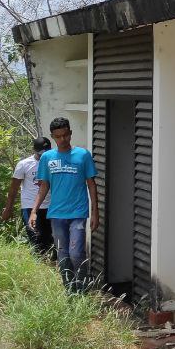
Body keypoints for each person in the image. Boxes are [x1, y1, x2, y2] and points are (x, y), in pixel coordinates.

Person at [30, 117, 100, 291]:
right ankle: (70, 290)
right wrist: (34, 211)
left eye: (65, 135)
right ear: (53, 137)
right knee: (63, 254)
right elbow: (44, 186)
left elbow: (91, 184)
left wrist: (95, 212)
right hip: (57, 214)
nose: (62, 140)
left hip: (78, 213)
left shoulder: (83, 155)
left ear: (70, 133)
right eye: (58, 137)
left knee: (76, 253)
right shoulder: (47, 158)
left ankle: (82, 289)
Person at [2, 137, 54, 259]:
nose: (43, 156)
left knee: (49, 240)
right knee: (36, 238)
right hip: (30, 207)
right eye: (41, 154)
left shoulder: (54, 162)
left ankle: (49, 266)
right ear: (34, 150)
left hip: (50, 206)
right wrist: (8, 208)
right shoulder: (24, 164)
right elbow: (13, 188)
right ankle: (38, 267)